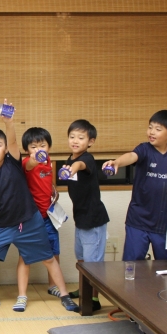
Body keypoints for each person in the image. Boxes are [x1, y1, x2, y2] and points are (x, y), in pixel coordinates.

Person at [0, 101, 79, 316]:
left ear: (5, 148)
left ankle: (64, 295)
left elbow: (12, 139)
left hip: (30, 221)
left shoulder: (12, 163)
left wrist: (9, 123)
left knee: (48, 258)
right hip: (5, 225)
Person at [103, 110, 167, 261]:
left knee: (166, 265)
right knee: (131, 265)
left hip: (164, 222)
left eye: (158, 129)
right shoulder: (144, 149)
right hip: (138, 220)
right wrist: (117, 162)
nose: (152, 132)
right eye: (150, 127)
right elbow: (131, 156)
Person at [58, 119, 109, 311]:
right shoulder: (70, 159)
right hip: (81, 219)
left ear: (91, 141)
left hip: (93, 220)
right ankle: (83, 289)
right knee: (81, 260)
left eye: (80, 137)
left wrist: (73, 167)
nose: (75, 141)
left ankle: (93, 299)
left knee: (92, 264)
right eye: (72, 137)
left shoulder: (86, 159)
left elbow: (80, 165)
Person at [21, 127, 68, 304]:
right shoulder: (27, 162)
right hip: (32, 217)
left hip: (49, 215)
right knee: (25, 255)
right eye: (33, 147)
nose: (38, 150)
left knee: (54, 251)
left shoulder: (49, 161)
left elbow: (45, 181)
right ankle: (22, 293)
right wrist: (34, 159)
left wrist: (53, 190)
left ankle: (53, 285)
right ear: (27, 149)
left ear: (49, 146)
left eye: (42, 146)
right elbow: (30, 166)